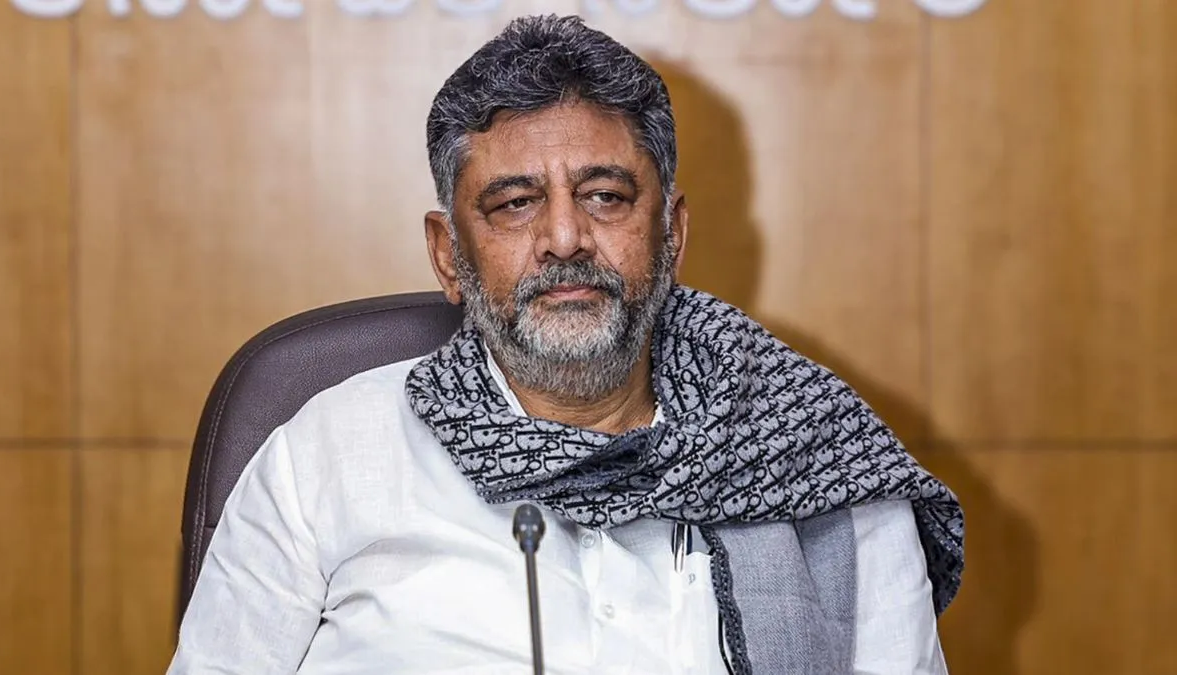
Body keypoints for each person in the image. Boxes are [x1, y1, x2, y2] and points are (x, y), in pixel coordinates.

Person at [168, 13, 964, 674]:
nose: (564, 236)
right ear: (448, 255)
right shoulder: (325, 458)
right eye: (514, 203)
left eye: (605, 196)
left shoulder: (821, 468)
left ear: (672, 234)